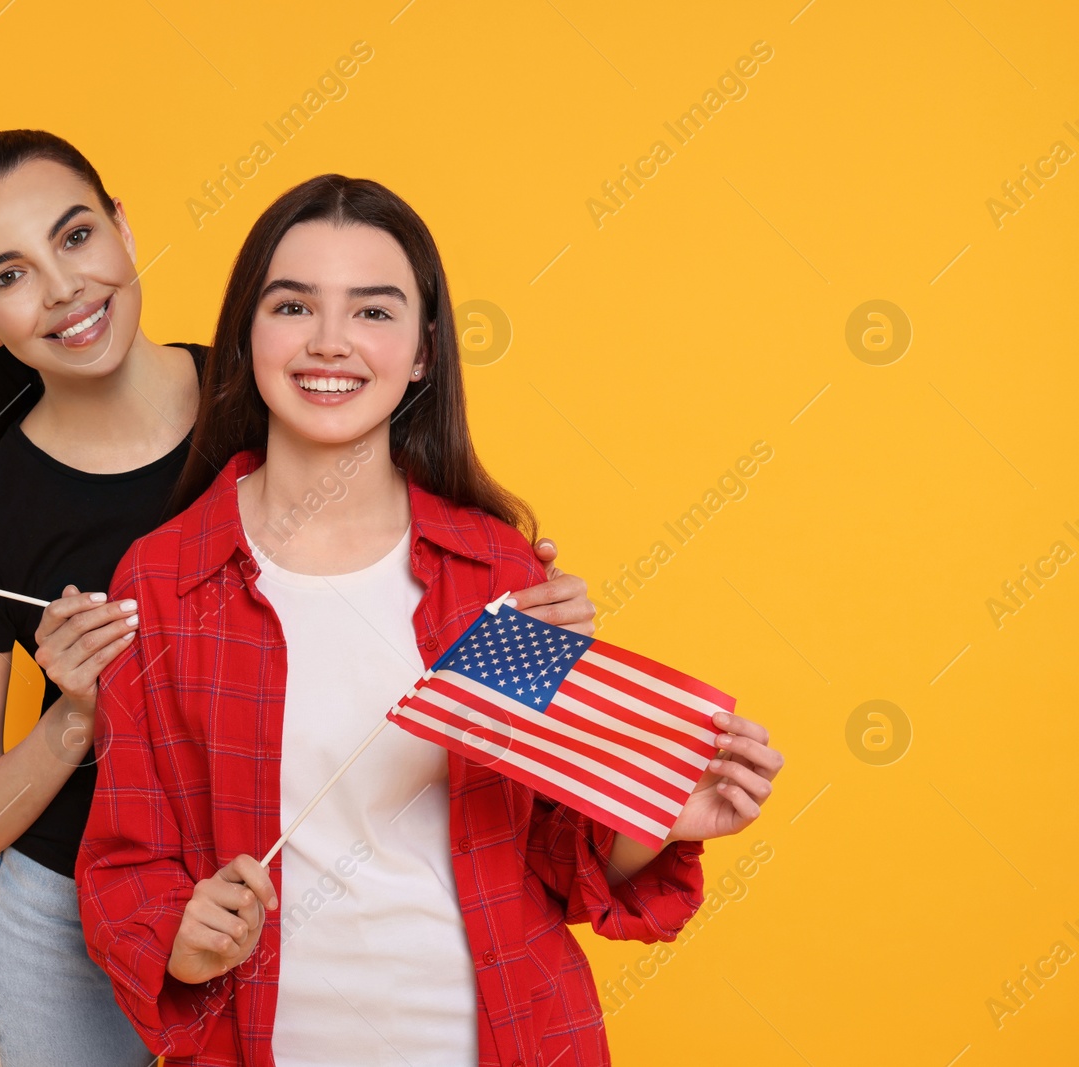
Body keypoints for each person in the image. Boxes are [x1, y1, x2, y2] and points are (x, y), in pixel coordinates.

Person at [0, 131, 599, 1067]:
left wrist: (515, 598)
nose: (63, 287)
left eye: (74, 237)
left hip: (290, 902)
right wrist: (75, 715)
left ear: (121, 227)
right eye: (7, 275)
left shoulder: (284, 387)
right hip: (83, 897)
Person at [76, 174, 785, 1067]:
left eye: (374, 312)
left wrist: (658, 818)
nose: (329, 341)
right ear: (247, 335)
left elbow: (556, 859)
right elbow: (123, 864)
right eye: (293, 305)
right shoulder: (167, 578)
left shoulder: (499, 574)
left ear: (421, 353)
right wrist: (182, 938)